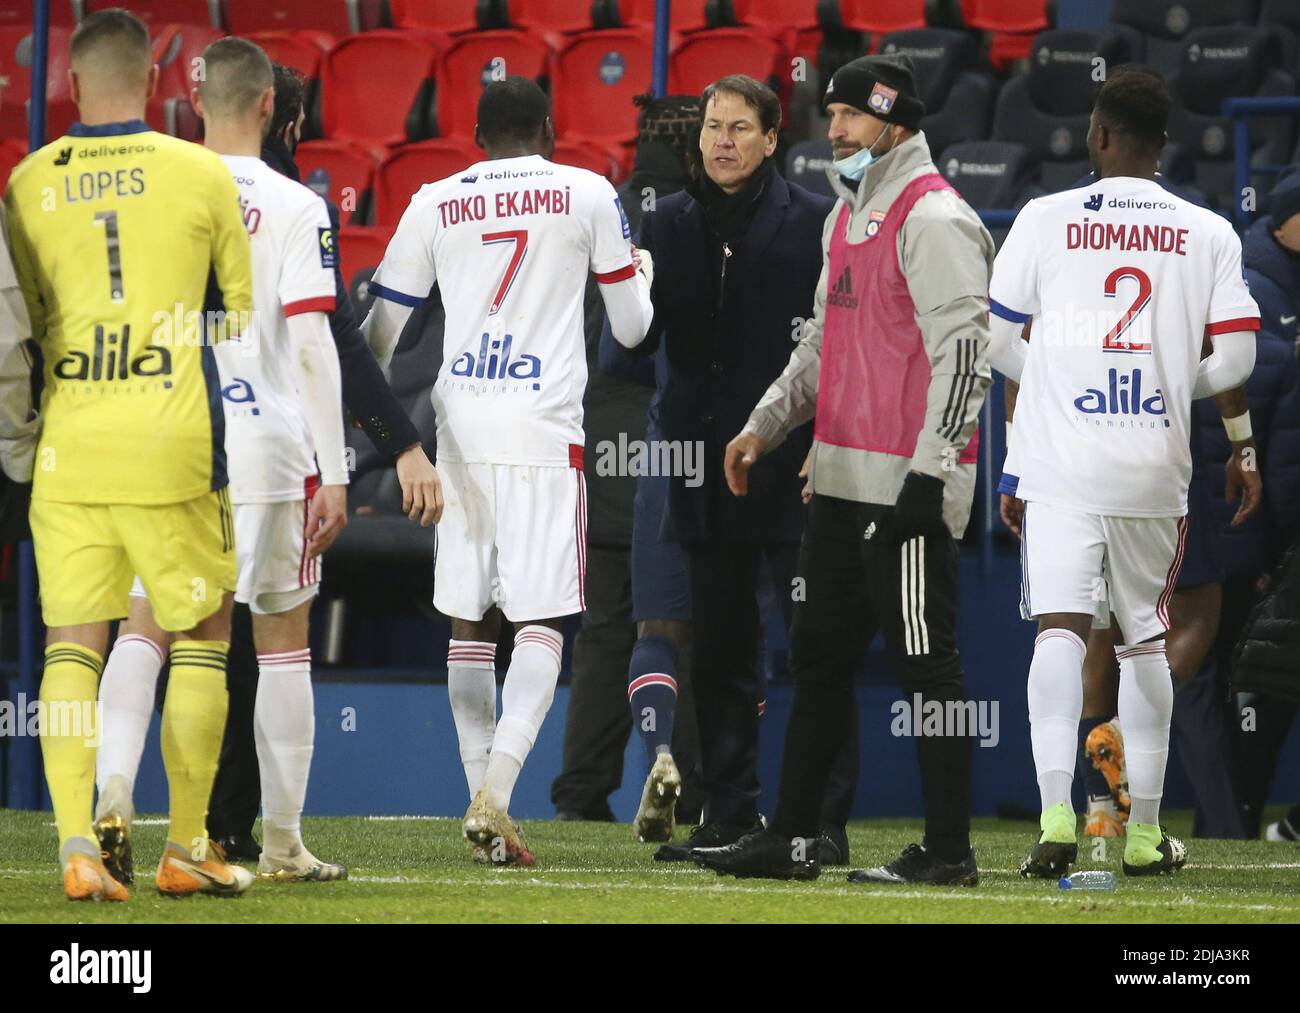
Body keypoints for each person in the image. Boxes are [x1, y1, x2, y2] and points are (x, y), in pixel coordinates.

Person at [89, 61, 444, 877]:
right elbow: (318, 342)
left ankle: (112, 792)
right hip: (262, 441)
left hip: (163, 432)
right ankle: (281, 840)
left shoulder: (149, 187)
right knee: (281, 638)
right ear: (270, 105)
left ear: (193, 105)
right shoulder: (294, 203)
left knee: (145, 622)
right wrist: (335, 469)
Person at [699, 54, 993, 884]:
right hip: (836, 483)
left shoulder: (933, 218)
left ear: (894, 125)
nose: (834, 131)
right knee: (819, 662)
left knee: (928, 664)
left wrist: (931, 477)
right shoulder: (848, 215)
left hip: (904, 490)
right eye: (830, 114)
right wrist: (765, 425)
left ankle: (947, 851)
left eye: (852, 117)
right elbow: (822, 345)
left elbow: (967, 356)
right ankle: (794, 836)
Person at [362, 77, 652, 864]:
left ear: (476, 135)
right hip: (542, 430)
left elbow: (376, 336)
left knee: (468, 620)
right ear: (552, 130)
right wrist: (643, 276)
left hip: (457, 428)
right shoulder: (587, 190)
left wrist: (391, 439)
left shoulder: (432, 199)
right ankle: (496, 792)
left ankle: (482, 809)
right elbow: (632, 326)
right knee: (543, 621)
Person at [0, 8, 254, 900]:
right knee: (202, 631)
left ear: (69, 84)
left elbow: (21, 331)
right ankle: (185, 845)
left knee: (73, 641)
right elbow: (234, 316)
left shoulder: (28, 182)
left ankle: (77, 845)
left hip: (70, 446)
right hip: (171, 440)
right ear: (153, 81)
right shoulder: (200, 172)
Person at [988, 66, 1259, 878]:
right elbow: (1239, 356)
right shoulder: (1209, 229)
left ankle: (1056, 819)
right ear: (1163, 144)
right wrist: (1177, 381)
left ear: (1098, 136)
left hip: (1064, 464)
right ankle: (1142, 835)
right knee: (1146, 638)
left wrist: (1064, 379)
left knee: (1061, 630)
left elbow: (1000, 345)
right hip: (1152, 461)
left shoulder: (1042, 217)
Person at [621, 75, 861, 862]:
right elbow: (632, 348)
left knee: (814, 644)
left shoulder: (818, 223)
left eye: (739, 127)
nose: (722, 139)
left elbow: (837, 349)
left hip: (793, 464)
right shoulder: (664, 223)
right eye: (712, 126)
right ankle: (727, 812)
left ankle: (822, 822)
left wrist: (825, 444)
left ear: (770, 138)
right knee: (721, 648)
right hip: (700, 463)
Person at [551, 93, 705, 832]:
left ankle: (582, 790)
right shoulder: (700, 213)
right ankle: (695, 784)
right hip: (671, 428)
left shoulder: (598, 205)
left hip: (595, 430)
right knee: (684, 616)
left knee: (607, 624)